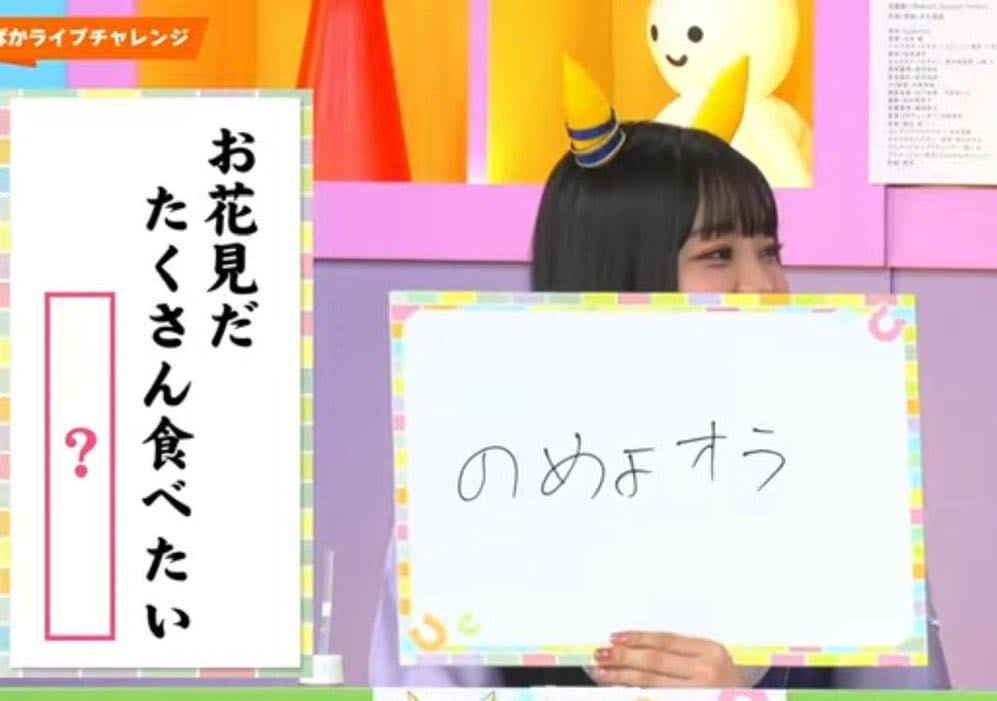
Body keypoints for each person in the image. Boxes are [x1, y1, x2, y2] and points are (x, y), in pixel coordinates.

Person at [370, 56, 950, 690]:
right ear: (616, 272)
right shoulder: (478, 481)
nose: (763, 285)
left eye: (770, 252)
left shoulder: (843, 474)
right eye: (719, 255)